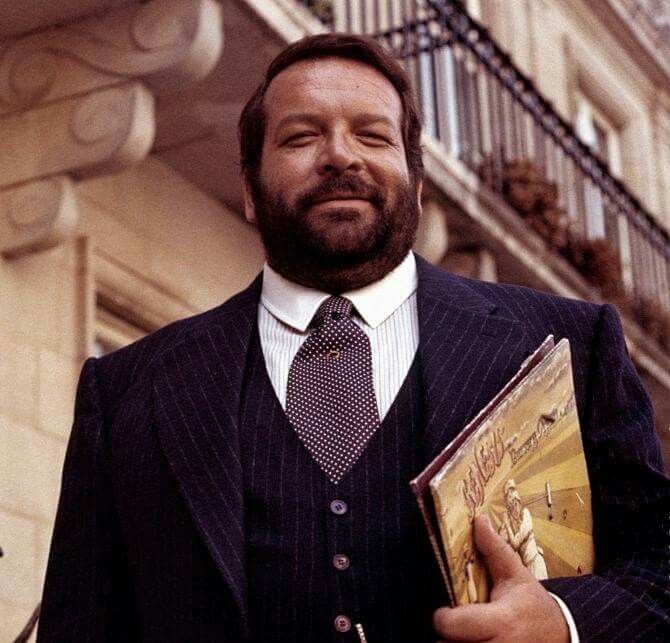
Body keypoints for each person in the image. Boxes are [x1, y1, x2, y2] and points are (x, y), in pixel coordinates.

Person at [38, 33, 669, 642]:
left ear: (418, 186)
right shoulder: (125, 391)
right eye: (301, 136)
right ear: (251, 192)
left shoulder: (571, 346)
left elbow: (659, 568)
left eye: (371, 134)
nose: (341, 155)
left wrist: (565, 624)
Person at [498, 479, 548, 581]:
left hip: (536, 563)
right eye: (509, 496)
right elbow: (500, 542)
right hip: (528, 570)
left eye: (516, 502)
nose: (515, 507)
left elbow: (515, 544)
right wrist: (504, 525)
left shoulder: (526, 514)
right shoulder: (511, 524)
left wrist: (507, 525)